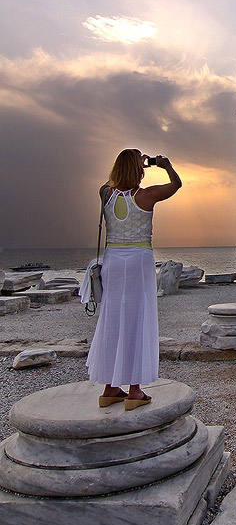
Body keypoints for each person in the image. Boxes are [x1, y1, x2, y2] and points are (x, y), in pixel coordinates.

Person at [87, 149, 181, 409]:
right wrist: (165, 165)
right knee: (137, 318)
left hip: (113, 259)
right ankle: (135, 391)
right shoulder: (146, 196)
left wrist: (131, 165)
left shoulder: (105, 193)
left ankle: (110, 387)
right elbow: (176, 184)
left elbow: (111, 183)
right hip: (139, 258)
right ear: (138, 169)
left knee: (114, 318)